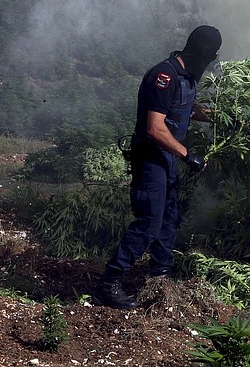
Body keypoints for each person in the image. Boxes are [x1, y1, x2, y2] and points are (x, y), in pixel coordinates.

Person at [93, 25, 222, 310]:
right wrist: (188, 155)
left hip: (166, 159)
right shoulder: (164, 76)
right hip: (151, 157)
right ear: (201, 52)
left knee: (168, 219)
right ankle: (108, 284)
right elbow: (155, 128)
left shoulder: (186, 78)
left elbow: (186, 107)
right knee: (149, 221)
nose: (209, 65)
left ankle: (159, 281)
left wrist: (218, 117)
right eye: (210, 58)